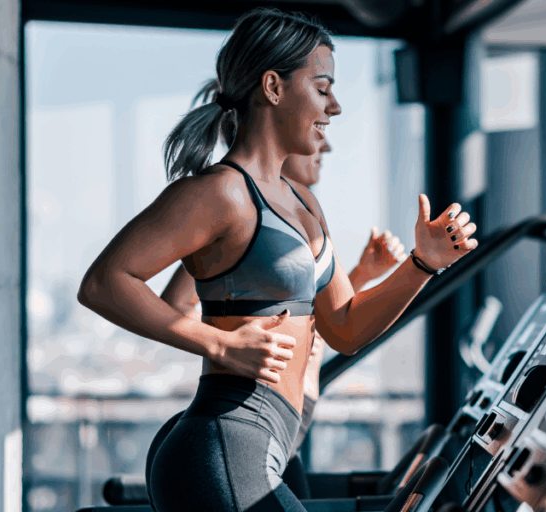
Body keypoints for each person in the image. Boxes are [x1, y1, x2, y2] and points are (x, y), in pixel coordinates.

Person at [76, 8, 478, 511]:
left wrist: (423, 263)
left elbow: (345, 329)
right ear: (273, 86)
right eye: (323, 87)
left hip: (274, 444)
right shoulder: (219, 193)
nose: (334, 108)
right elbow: (104, 282)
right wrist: (218, 344)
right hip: (224, 440)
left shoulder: (304, 203)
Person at [152, 140, 407, 500]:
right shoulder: (236, 211)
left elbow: (316, 318)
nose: (327, 146)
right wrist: (227, 343)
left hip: (282, 433)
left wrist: (361, 275)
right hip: (241, 428)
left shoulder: (301, 213)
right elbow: (177, 303)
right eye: (316, 134)